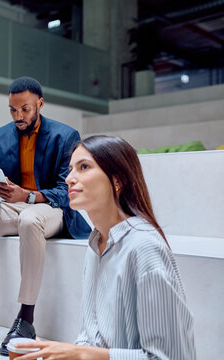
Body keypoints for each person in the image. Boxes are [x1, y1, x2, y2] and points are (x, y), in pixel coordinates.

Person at [13, 135, 196, 359]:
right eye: (71, 169)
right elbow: (91, 339)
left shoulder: (144, 247)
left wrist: (80, 353)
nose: (69, 178)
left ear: (118, 180)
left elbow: (167, 357)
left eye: (84, 167)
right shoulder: (95, 244)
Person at [0, 76, 92, 355]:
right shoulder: (1, 135)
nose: (18, 116)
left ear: (40, 104)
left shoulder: (65, 136)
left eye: (25, 109)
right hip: (12, 206)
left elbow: (66, 190)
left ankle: (26, 319)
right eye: (12, 109)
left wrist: (28, 196)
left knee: (30, 218)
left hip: (52, 210)